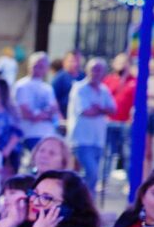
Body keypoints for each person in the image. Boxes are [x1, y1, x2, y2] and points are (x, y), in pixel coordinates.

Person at [67, 57, 116, 192]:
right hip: (81, 139)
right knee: (91, 173)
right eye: (94, 69)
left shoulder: (104, 89)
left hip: (98, 139)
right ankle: (84, 203)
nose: (96, 73)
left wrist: (99, 108)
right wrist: (103, 110)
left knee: (91, 175)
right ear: (87, 70)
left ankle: (87, 205)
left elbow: (113, 110)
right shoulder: (79, 88)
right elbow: (86, 111)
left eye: (99, 70)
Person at [13, 52, 60, 151]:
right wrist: (45, 115)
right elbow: (26, 113)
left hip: (48, 134)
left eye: (42, 66)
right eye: (36, 65)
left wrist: (40, 115)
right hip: (30, 134)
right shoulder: (22, 86)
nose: (38, 68)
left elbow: (54, 110)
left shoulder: (48, 88)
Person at [51, 50, 84, 123]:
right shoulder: (59, 78)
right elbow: (54, 100)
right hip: (64, 119)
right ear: (64, 62)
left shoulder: (83, 77)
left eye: (77, 60)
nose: (75, 64)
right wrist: (60, 118)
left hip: (80, 120)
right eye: (72, 61)